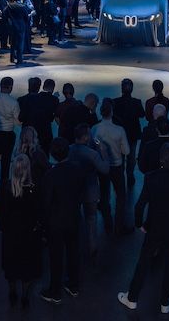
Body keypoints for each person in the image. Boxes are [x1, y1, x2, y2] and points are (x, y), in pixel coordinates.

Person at [117, 143, 169, 314]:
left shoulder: (151, 177)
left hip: (155, 227)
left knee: (144, 261)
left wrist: (140, 224)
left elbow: (139, 205)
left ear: (161, 159)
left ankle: (132, 298)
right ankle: (165, 302)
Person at [40, 138, 85, 304]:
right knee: (73, 252)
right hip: (73, 217)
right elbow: (81, 192)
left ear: (52, 154)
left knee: (56, 256)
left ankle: (55, 291)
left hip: (56, 222)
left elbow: (46, 202)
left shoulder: (50, 175)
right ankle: (73, 285)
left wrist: (43, 222)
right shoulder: (78, 169)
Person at [0, 154, 44, 308]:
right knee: (27, 267)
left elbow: (1, 210)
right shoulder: (34, 190)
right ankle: (25, 296)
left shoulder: (4, 187)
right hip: (29, 235)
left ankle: (12, 292)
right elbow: (39, 212)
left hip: (10, 234)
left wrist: (3, 228)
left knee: (11, 266)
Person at [68, 123, 109, 256]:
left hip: (74, 190)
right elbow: (105, 169)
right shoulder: (92, 154)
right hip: (90, 190)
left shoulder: (68, 150)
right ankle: (92, 247)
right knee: (91, 219)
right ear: (85, 137)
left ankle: (77, 246)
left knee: (76, 218)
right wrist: (103, 150)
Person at [91, 99, 131, 234]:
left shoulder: (95, 129)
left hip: (102, 166)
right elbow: (126, 151)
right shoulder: (119, 130)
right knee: (121, 196)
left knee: (104, 195)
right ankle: (119, 226)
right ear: (112, 112)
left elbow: (93, 147)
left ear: (101, 112)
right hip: (117, 166)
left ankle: (107, 224)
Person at [112, 78, 145, 186]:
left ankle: (121, 178)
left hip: (119, 136)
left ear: (122, 89)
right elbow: (142, 114)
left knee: (120, 158)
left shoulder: (115, 102)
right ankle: (130, 176)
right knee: (131, 158)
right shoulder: (137, 102)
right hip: (132, 135)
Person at [17, 76, 56, 153]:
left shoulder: (21, 100)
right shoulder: (47, 99)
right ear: (39, 87)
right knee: (44, 156)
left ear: (29, 86)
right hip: (44, 135)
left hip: (28, 135)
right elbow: (51, 117)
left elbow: (20, 118)